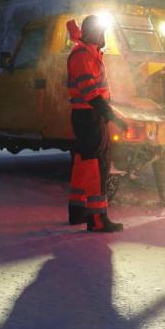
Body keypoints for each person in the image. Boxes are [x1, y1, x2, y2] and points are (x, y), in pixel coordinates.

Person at [66, 14, 127, 232]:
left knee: (84, 163)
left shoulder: (88, 53)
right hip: (89, 116)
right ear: (92, 33)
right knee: (96, 165)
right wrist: (113, 117)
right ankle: (97, 218)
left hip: (88, 116)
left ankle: (78, 211)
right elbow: (91, 93)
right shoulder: (82, 55)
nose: (103, 36)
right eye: (101, 32)